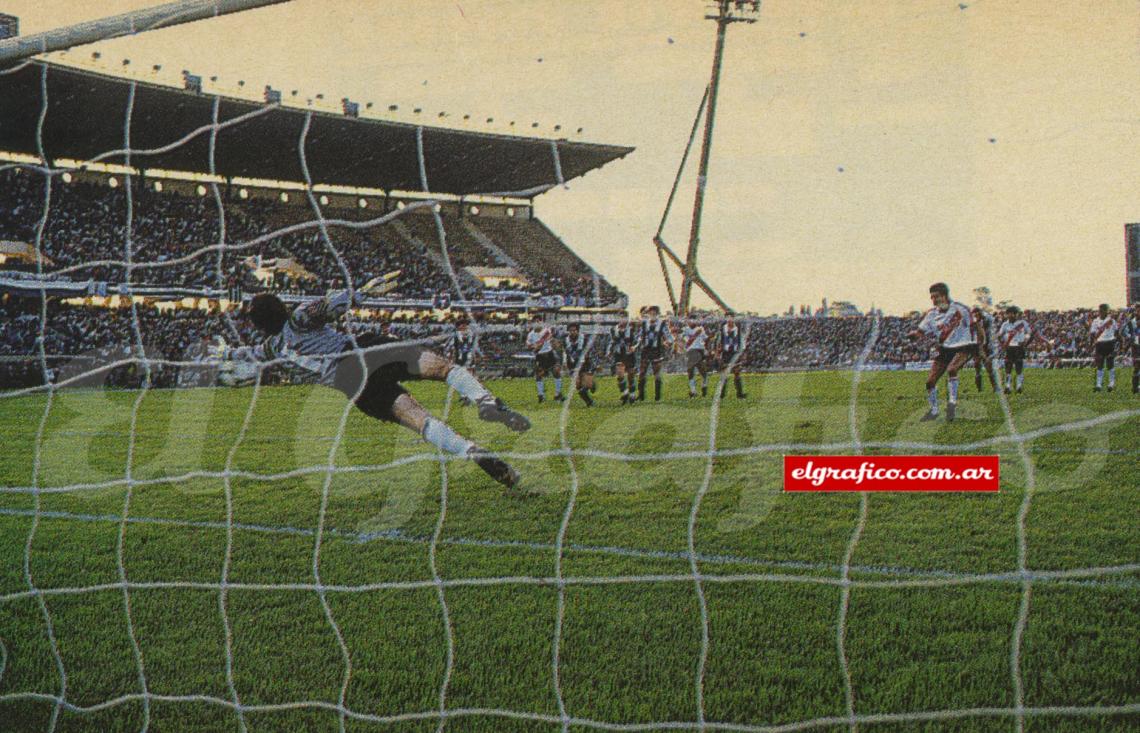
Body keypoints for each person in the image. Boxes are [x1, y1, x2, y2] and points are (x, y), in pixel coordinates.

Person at [213, 288, 530, 491]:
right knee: (442, 368)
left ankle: (471, 451)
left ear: (259, 327)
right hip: (360, 352)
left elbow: (244, 355)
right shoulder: (297, 318)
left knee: (419, 419)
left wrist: (226, 354)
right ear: (281, 307)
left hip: (351, 386)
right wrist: (351, 296)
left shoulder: (270, 348)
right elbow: (333, 303)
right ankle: (485, 401)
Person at [907, 282, 975, 421]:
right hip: (944, 348)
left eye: (936, 296)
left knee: (952, 370)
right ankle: (934, 411)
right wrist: (914, 335)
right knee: (930, 382)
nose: (934, 300)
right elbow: (920, 332)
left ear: (945, 296)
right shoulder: (931, 314)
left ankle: (952, 404)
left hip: (964, 346)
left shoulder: (960, 309)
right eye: (932, 297)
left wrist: (980, 346)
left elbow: (975, 325)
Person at [636, 305, 673, 402]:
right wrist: (637, 344)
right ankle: (641, 395)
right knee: (642, 373)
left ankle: (657, 396)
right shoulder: (644, 324)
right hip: (646, 350)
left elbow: (669, 337)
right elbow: (639, 336)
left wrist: (667, 342)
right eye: (650, 313)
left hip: (656, 350)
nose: (652, 315)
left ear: (657, 314)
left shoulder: (662, 324)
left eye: (654, 313)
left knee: (657, 373)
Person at [997, 306, 1034, 394]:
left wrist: (1025, 340)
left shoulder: (1022, 323)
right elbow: (1000, 335)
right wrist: (1002, 344)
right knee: (1008, 367)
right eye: (1009, 313)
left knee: (1019, 367)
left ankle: (1018, 386)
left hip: (1019, 347)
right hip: (1009, 347)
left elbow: (1029, 333)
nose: (1012, 315)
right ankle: (1007, 387)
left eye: (1013, 313)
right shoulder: (1005, 324)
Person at [526, 315, 563, 403]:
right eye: (535, 322)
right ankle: (541, 395)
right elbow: (528, 345)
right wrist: (533, 347)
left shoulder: (546, 330)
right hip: (540, 356)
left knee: (556, 372)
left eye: (539, 321)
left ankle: (558, 394)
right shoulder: (530, 335)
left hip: (549, 354)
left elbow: (549, 336)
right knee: (539, 375)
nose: (537, 323)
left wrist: (539, 344)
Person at [562, 322, 596, 406]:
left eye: (574, 330)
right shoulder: (565, 340)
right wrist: (564, 362)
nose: (572, 332)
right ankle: (589, 402)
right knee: (578, 386)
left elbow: (591, 351)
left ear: (578, 331)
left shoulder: (584, 339)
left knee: (586, 385)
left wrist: (594, 361)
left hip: (585, 364)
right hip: (573, 364)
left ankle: (592, 384)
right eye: (570, 331)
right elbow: (564, 352)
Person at [607, 316, 639, 404]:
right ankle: (624, 392)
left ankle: (632, 393)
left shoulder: (631, 329)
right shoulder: (613, 330)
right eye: (620, 318)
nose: (622, 320)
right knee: (620, 374)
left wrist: (634, 347)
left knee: (630, 375)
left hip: (629, 354)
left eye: (624, 318)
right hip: (619, 354)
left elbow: (637, 340)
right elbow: (611, 341)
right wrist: (609, 351)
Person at [715, 315, 747, 400]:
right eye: (728, 318)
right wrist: (718, 354)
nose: (730, 320)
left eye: (732, 318)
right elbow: (719, 343)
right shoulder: (722, 330)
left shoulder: (738, 330)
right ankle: (721, 395)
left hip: (735, 353)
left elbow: (742, 344)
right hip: (725, 353)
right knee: (724, 374)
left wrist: (742, 355)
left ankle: (740, 394)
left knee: (737, 373)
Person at [1088, 303, 1117, 392]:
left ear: (1106, 311)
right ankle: (1098, 384)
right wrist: (1091, 344)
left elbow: (1116, 332)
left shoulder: (1111, 321)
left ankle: (1111, 383)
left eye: (1103, 310)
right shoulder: (1095, 321)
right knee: (1099, 364)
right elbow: (1092, 334)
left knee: (1110, 364)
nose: (1101, 312)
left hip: (1109, 343)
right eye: (1100, 310)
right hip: (1099, 344)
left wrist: (1116, 343)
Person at [971, 306, 999, 393]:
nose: (976, 314)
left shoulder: (986, 320)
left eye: (977, 312)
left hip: (986, 346)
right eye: (974, 313)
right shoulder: (974, 323)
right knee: (977, 367)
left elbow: (988, 328)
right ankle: (979, 389)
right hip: (976, 346)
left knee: (989, 368)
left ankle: (995, 387)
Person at [682, 317, 710, 398]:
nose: (691, 322)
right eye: (690, 320)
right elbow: (685, 340)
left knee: (700, 371)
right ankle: (695, 390)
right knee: (692, 371)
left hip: (699, 350)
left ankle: (700, 388)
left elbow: (706, 339)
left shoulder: (700, 329)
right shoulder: (686, 329)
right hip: (691, 351)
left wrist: (707, 347)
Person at [1121, 304, 1140, 394]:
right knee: (1137, 366)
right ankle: (1135, 388)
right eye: (1138, 310)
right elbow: (1122, 332)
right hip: (1136, 347)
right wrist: (1130, 336)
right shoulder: (1131, 322)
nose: (1139, 312)